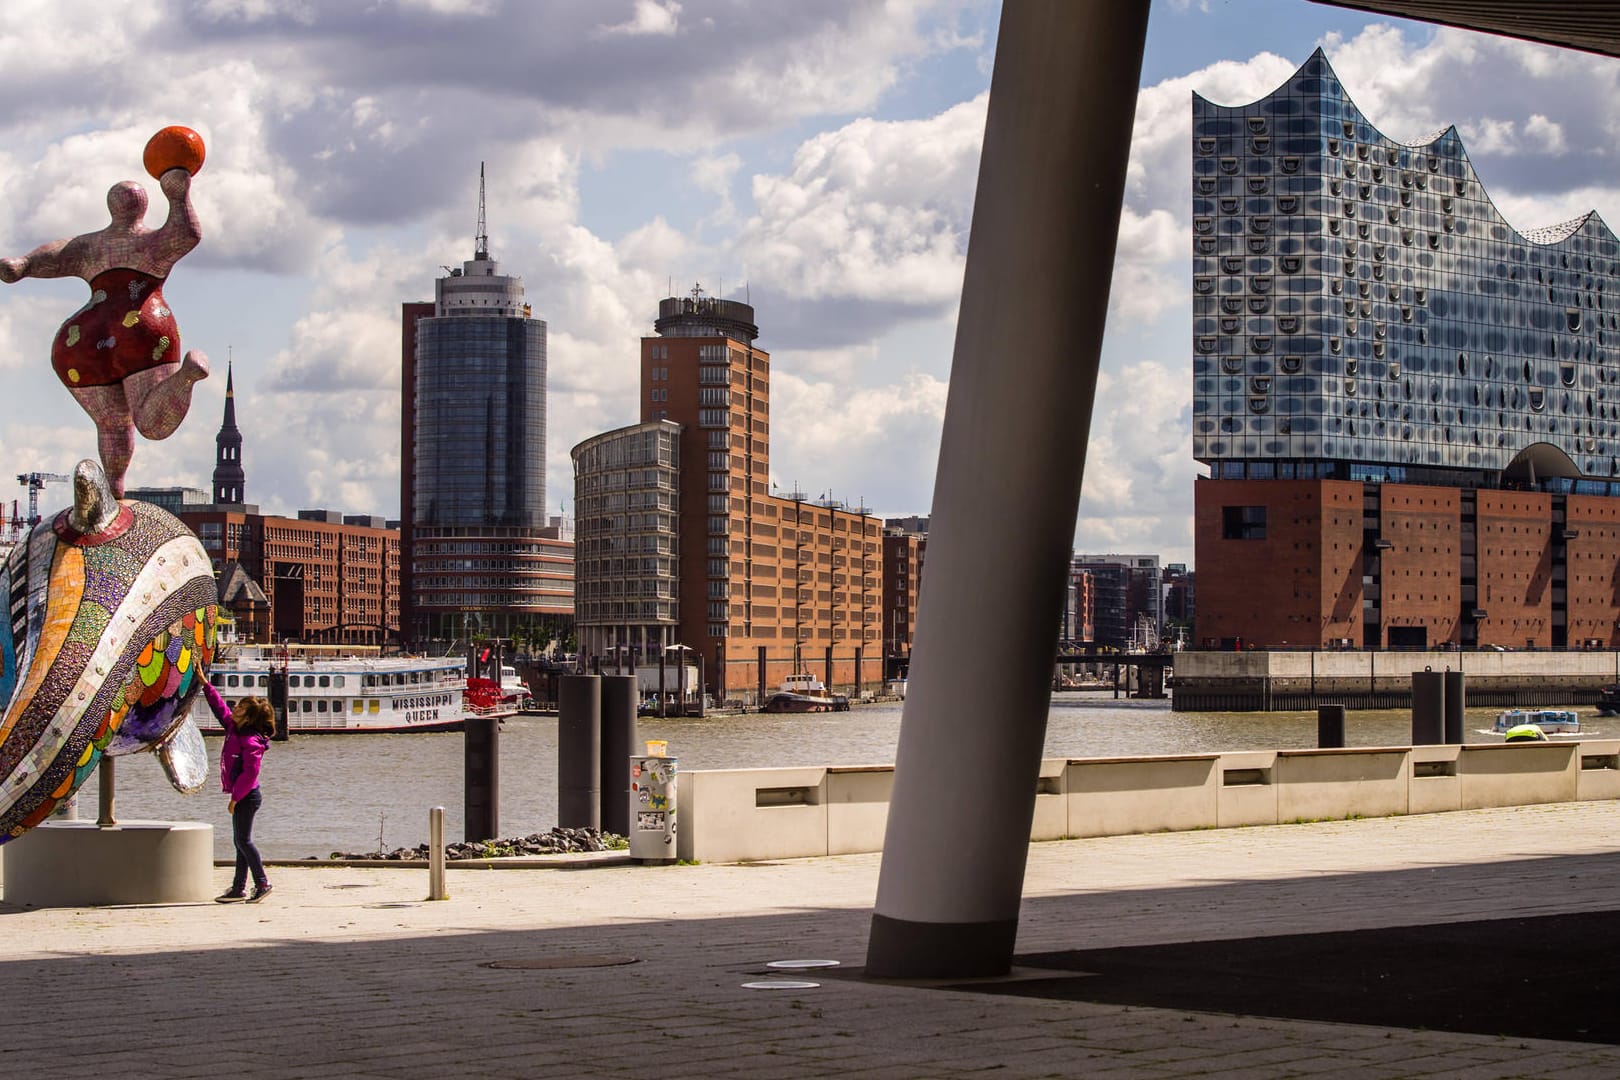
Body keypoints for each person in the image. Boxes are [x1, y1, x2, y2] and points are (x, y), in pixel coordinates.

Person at [0, 166, 209, 498]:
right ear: (141, 207)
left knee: (111, 424)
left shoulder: (92, 246)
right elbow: (186, 235)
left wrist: (23, 265)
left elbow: (57, 255)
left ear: (112, 206)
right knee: (151, 425)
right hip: (142, 326)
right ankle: (185, 377)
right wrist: (177, 193)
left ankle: (114, 487)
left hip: (81, 340)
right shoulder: (150, 244)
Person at [203, 681, 276, 903]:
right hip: (243, 796)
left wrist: (235, 799)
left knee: (244, 841)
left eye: (241, 708)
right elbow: (219, 708)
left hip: (247, 796)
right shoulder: (234, 728)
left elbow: (250, 774)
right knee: (240, 841)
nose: (235, 708)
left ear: (249, 717)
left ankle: (262, 883)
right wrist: (206, 685)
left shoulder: (251, 741)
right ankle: (238, 888)